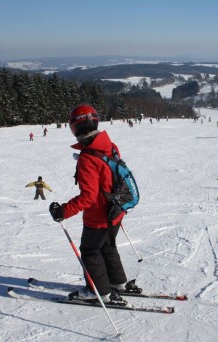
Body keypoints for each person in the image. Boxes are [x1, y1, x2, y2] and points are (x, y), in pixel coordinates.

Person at [48, 104, 139, 304]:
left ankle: (99, 292)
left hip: (98, 216)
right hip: (116, 209)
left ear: (74, 127)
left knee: (90, 251)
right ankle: (117, 283)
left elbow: (88, 197)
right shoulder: (109, 145)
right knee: (108, 247)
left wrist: (63, 210)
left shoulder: (88, 158)